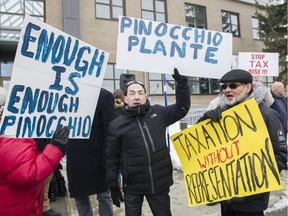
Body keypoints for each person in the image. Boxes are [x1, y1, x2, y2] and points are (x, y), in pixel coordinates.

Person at [198, 69, 287, 216]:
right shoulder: (222, 114)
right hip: (226, 198)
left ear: (248, 88)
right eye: (224, 86)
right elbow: (202, 146)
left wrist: (250, 176)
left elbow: (280, 155)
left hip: (251, 201)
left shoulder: (267, 115)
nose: (227, 90)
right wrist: (204, 122)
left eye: (233, 86)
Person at [106, 68, 191, 216]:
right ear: (125, 99)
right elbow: (112, 157)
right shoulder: (116, 125)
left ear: (146, 96)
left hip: (159, 182)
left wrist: (182, 84)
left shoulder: (159, 113)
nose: (137, 97)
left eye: (140, 93)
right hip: (133, 185)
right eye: (132, 93)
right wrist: (112, 182)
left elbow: (181, 109)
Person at [66, 88, 116, 216]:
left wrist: (107, 156)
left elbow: (110, 130)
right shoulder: (67, 94)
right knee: (80, 197)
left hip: (98, 156)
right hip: (75, 155)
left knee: (104, 195)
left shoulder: (104, 95)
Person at [0, 124, 70, 215]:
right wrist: (55, 149)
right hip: (16, 208)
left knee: (47, 182)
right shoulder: (11, 136)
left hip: (22, 205)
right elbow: (25, 175)